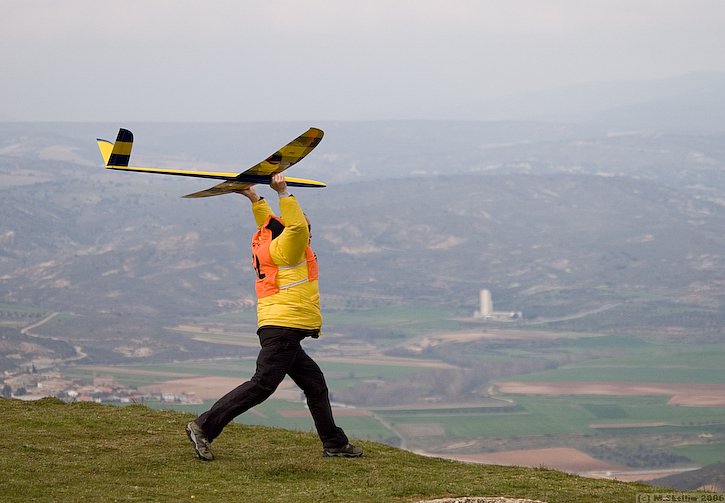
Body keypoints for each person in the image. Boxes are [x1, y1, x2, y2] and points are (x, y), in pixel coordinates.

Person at [186, 174, 362, 461]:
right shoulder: (290, 250)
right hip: (284, 328)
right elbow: (295, 226)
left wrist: (254, 197)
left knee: (314, 383)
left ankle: (334, 442)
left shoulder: (270, 245)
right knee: (263, 384)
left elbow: (271, 224)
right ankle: (204, 427)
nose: (306, 228)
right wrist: (283, 192)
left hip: (281, 328)